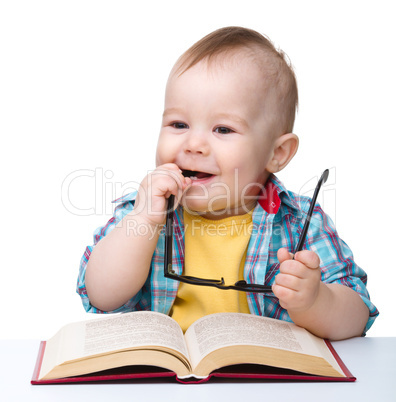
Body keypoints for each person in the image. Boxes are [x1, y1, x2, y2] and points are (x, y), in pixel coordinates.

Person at [77, 26, 378, 340]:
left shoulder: (301, 223)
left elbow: (357, 316)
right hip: (164, 382)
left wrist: (316, 301)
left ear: (277, 153)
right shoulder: (142, 212)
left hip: (267, 384)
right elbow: (101, 295)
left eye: (222, 130)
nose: (194, 144)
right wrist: (143, 219)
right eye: (178, 124)